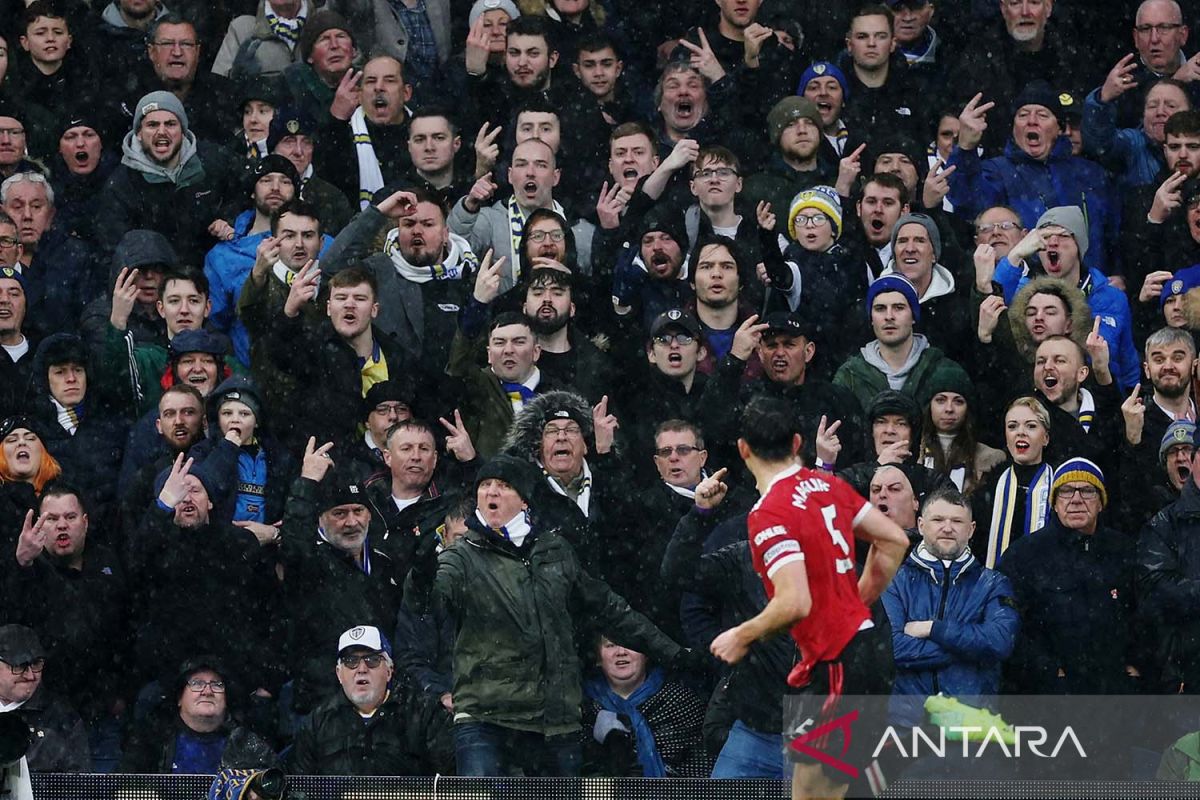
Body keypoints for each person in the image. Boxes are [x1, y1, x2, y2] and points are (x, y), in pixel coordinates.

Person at [407, 453, 688, 777]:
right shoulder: (462, 557)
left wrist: (676, 654)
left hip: (555, 721)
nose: (491, 492)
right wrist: (421, 572)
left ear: (524, 500)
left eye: (503, 486)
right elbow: (430, 601)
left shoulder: (555, 550)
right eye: (485, 485)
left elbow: (612, 612)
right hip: (486, 718)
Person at [708, 395, 908, 799]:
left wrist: (741, 635)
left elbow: (794, 601)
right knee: (812, 793)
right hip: (859, 653)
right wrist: (857, 600)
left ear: (744, 450)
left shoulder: (769, 513)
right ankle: (898, 749)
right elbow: (894, 539)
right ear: (798, 443)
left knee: (817, 793)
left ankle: (915, 742)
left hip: (835, 663)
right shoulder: (826, 486)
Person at [275, 438, 406, 714]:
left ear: (369, 516)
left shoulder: (386, 565)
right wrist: (307, 482)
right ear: (321, 520)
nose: (351, 522)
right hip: (323, 704)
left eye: (358, 511)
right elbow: (294, 543)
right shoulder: (311, 563)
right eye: (339, 513)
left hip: (385, 701)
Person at [947, 84, 1120, 280]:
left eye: (1042, 115)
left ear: (1059, 128)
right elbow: (966, 202)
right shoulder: (996, 171)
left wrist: (1119, 274)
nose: (1031, 121)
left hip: (1092, 287)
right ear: (1013, 128)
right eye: (1023, 115)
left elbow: (1114, 233)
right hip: (1026, 291)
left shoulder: (1091, 174)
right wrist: (966, 149)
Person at [882, 488, 1020, 727]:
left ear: (972, 529)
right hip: (905, 723)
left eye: (957, 521)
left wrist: (934, 629)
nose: (947, 528)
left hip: (972, 723)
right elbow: (889, 648)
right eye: (938, 520)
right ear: (921, 525)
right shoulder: (893, 581)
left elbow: (1000, 642)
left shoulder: (993, 583)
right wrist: (967, 650)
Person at [999, 459, 1139, 694]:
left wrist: (1134, 665)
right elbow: (1008, 625)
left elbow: (1142, 614)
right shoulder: (1024, 554)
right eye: (1065, 491)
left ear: (1101, 502)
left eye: (1087, 490)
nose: (1076, 499)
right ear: (1053, 503)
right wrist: (1048, 670)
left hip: (1115, 693)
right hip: (1049, 694)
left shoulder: (1124, 550)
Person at [96, 90, 244, 267]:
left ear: (183, 131)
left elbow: (249, 190)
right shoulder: (121, 185)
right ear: (138, 134)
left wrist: (229, 219)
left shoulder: (214, 161)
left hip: (213, 274)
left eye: (170, 124)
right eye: (152, 125)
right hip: (154, 280)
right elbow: (115, 251)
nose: (161, 131)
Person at [288, 625, 454, 775]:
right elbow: (299, 787)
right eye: (351, 661)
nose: (361, 669)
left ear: (389, 671)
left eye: (372, 660)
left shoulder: (426, 713)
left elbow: (450, 783)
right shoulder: (317, 723)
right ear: (339, 674)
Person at [204, 154, 301, 368]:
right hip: (246, 373)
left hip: (305, 369)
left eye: (285, 181)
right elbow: (214, 324)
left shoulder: (318, 244)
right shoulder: (222, 256)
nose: (276, 187)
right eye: (266, 180)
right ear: (251, 191)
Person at [832, 274, 971, 411]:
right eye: (880, 308)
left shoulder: (945, 371)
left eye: (898, 307)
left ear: (913, 316)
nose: (889, 316)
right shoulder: (849, 376)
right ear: (871, 319)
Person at [581, 636, 710, 777]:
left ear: (646, 654)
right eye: (611, 645)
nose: (621, 651)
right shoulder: (585, 705)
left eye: (629, 644)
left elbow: (702, 765)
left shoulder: (679, 700)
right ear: (598, 658)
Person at [119, 657, 275, 773]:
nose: (207, 691)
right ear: (179, 698)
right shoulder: (152, 738)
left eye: (216, 685)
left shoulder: (246, 741)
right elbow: (123, 784)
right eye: (197, 684)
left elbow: (276, 786)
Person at [1, 171, 101, 339]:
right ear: (2, 212)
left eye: (36, 206)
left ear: (50, 215)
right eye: (17, 207)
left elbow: (89, 316)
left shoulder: (74, 257)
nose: (27, 216)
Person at [0, 624, 89, 772]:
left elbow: (80, 788)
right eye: (19, 666)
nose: (30, 675)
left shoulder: (62, 719)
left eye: (36, 664)